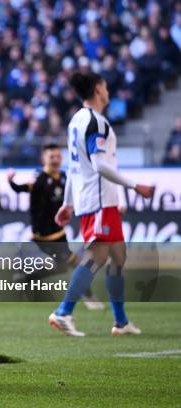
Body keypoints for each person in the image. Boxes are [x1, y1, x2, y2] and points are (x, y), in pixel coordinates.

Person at [50, 71, 155, 337]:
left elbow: (74, 166)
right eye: (105, 86)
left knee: (118, 257)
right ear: (98, 89)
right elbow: (98, 165)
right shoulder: (96, 122)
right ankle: (63, 312)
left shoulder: (76, 121)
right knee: (98, 256)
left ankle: (120, 322)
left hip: (99, 200)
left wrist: (68, 203)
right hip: (97, 201)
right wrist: (134, 186)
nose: (107, 91)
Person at [8, 144, 104, 310]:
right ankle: (88, 296)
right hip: (44, 235)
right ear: (43, 159)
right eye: (51, 157)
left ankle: (25, 279)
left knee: (60, 267)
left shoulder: (65, 177)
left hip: (59, 232)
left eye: (58, 156)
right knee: (78, 262)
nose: (55, 160)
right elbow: (21, 189)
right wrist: (11, 180)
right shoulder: (39, 178)